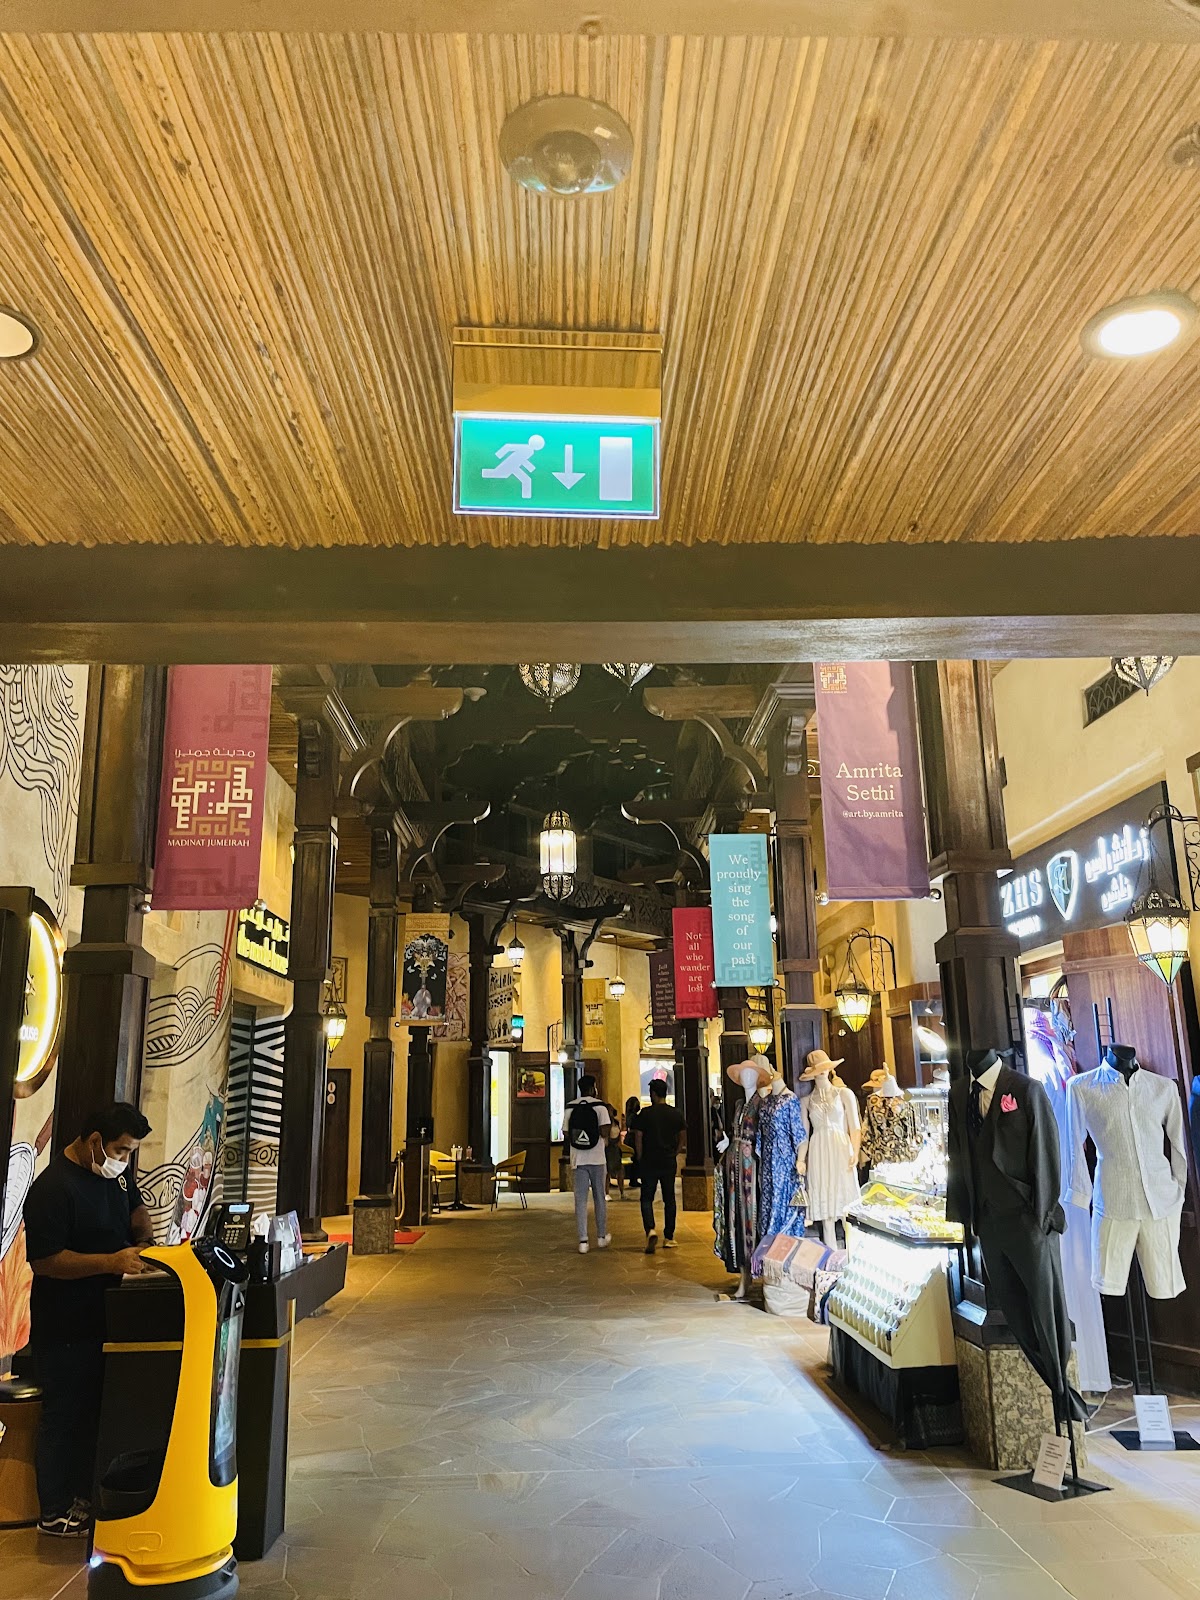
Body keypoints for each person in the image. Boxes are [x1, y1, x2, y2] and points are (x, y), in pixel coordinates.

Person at [23, 1101, 153, 1537]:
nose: (124, 1160)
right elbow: (46, 1261)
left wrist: (145, 1238)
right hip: (64, 1324)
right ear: (95, 1141)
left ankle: (84, 1494)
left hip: (108, 1317)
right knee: (64, 1413)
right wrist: (110, 1262)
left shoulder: (115, 1175)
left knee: (94, 1412)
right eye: (120, 1150)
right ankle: (53, 1510)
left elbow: (135, 1206)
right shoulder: (52, 1189)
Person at [635, 1079, 687, 1254]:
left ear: (653, 1094)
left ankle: (650, 1230)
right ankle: (669, 1237)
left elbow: (638, 1137)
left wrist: (640, 1156)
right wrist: (676, 1152)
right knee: (669, 1199)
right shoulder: (676, 1113)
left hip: (649, 1160)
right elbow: (682, 1136)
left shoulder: (645, 1114)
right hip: (668, 1160)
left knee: (646, 1198)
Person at [562, 1075, 611, 1254]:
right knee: (599, 1198)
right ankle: (601, 1237)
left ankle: (583, 1241)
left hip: (578, 1159)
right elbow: (605, 1132)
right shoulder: (600, 1107)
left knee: (580, 1200)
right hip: (597, 1158)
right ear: (592, 1088)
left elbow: (566, 1132)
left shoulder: (571, 1107)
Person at [602, 1099, 625, 1200]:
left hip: (616, 1148)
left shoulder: (616, 1122)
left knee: (620, 1170)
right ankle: (606, 1192)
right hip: (608, 1148)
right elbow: (606, 1136)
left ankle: (622, 1192)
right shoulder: (605, 1123)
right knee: (607, 1171)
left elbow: (619, 1133)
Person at [624, 1096, 642, 1189]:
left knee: (634, 1159)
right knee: (636, 1159)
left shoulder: (628, 1115)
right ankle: (634, 1179)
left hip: (630, 1138)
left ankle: (633, 1179)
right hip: (633, 1138)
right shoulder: (634, 1117)